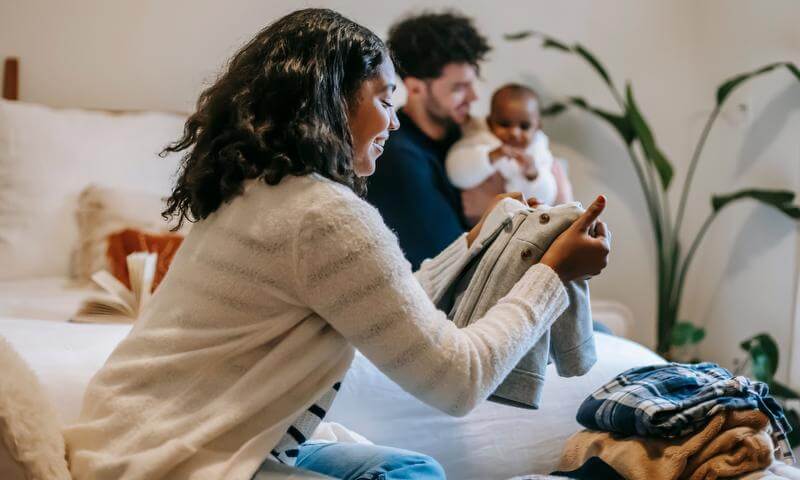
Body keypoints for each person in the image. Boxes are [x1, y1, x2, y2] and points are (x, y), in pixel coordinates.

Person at [63, 8, 611, 480]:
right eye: (384, 99)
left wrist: (475, 240)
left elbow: (381, 302)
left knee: (408, 470)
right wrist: (552, 275)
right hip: (170, 463)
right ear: (332, 101)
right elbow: (457, 380)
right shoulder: (324, 216)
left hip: (129, 441)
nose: (393, 122)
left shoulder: (256, 192)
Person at [366, 11, 490, 270]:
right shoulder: (398, 159)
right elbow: (454, 267)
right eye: (458, 88)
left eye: (472, 83)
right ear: (415, 87)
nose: (474, 96)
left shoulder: (469, 139)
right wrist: (493, 210)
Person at [446, 84, 575, 225]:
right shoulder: (479, 140)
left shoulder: (538, 153)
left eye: (524, 126)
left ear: (537, 127)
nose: (514, 133)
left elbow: (546, 198)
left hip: (519, 229)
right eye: (504, 124)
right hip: (475, 227)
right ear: (490, 122)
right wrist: (490, 157)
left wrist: (532, 175)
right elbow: (456, 173)